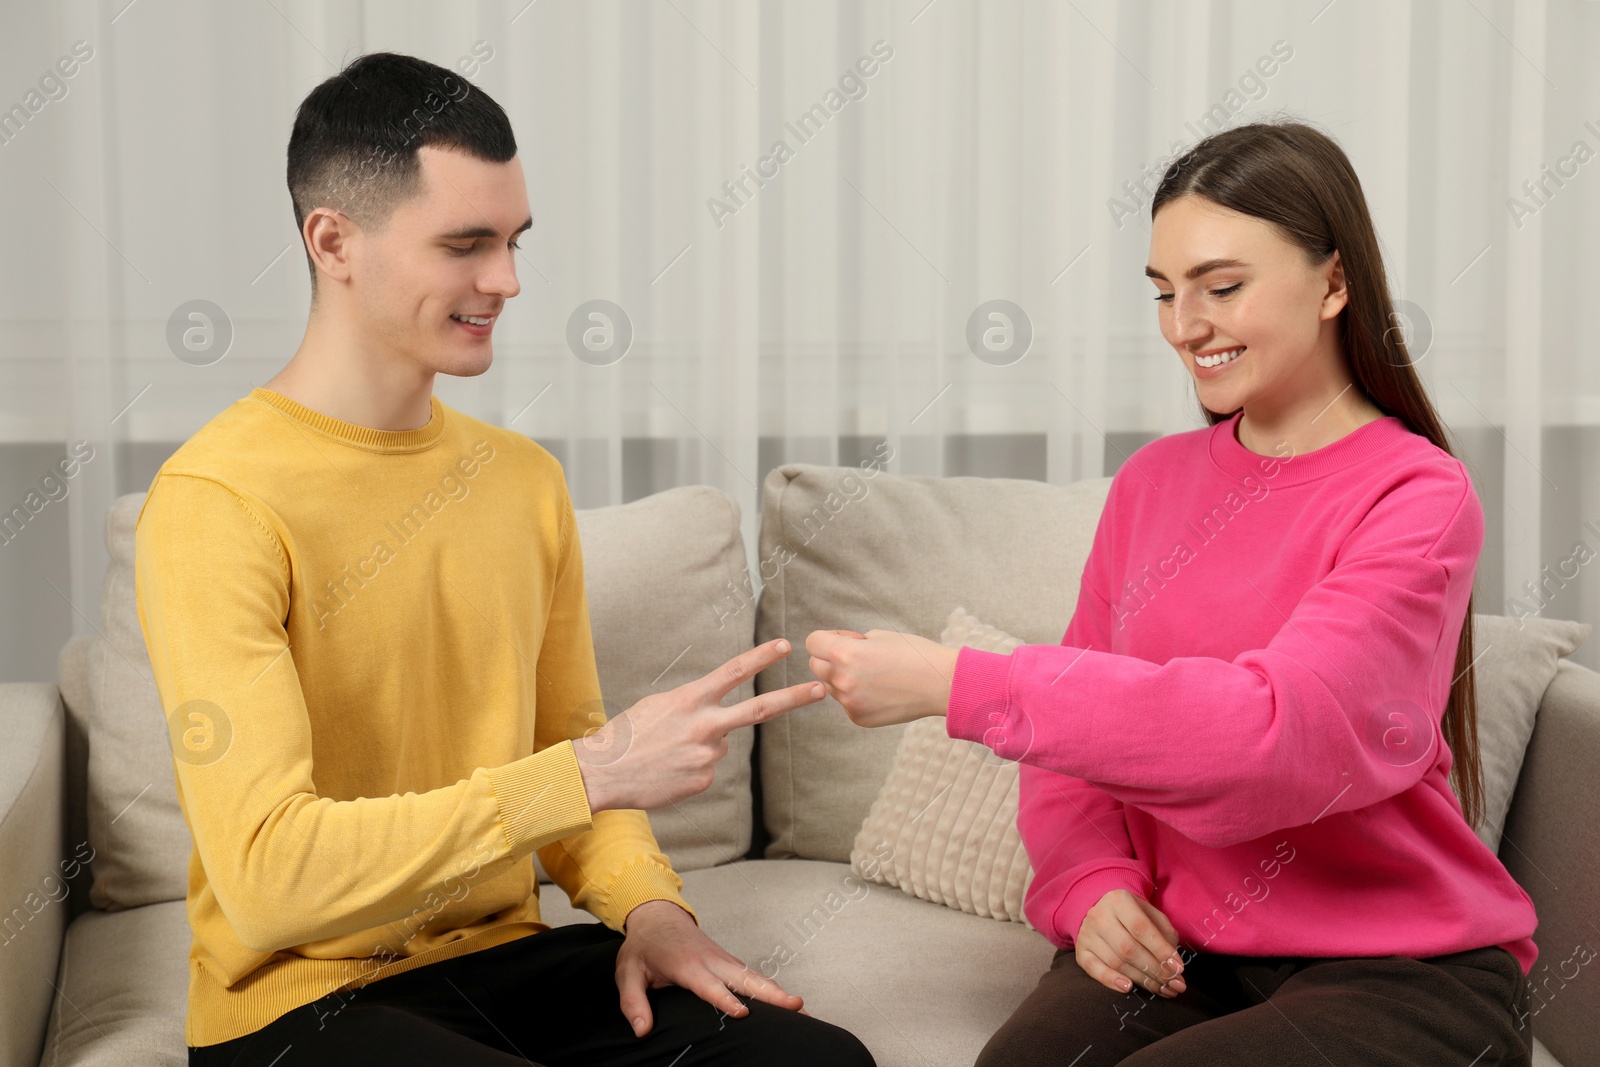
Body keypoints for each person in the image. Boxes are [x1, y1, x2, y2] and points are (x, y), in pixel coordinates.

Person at [135, 51, 874, 1067]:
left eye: (514, 241)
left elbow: (570, 758)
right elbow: (268, 876)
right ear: (333, 240)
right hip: (299, 1009)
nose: (508, 280)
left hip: (502, 968)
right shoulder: (216, 499)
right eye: (465, 244)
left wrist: (651, 909)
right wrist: (583, 770)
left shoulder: (519, 479)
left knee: (813, 1060)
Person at [806, 120, 1537, 1066]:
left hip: (1402, 968)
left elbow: (1272, 739)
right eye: (1164, 292)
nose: (1184, 325)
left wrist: (962, 684)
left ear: (1334, 282)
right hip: (1192, 948)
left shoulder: (1417, 496)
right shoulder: (1153, 484)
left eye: (1222, 286)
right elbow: (1074, 746)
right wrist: (1089, 882)